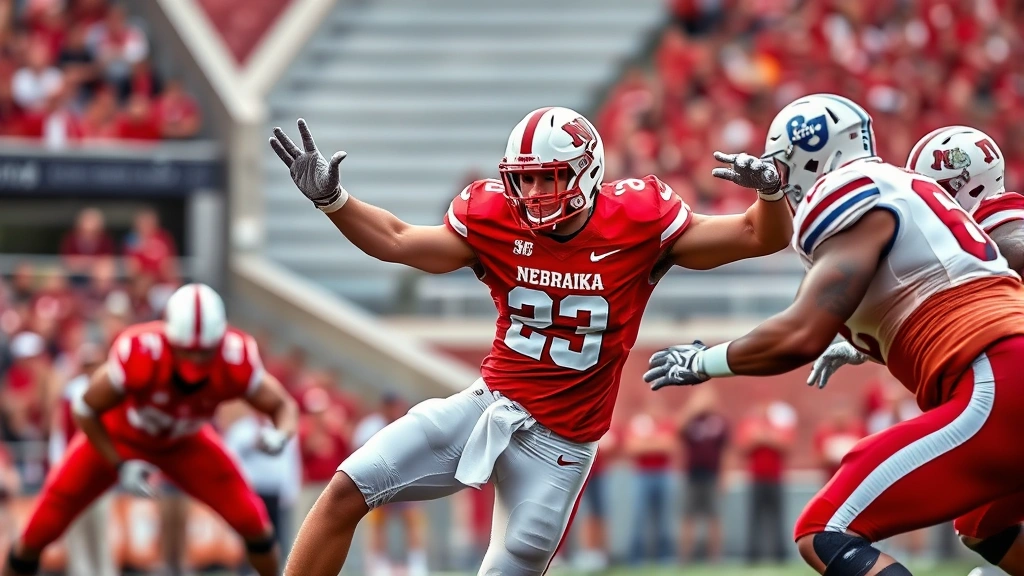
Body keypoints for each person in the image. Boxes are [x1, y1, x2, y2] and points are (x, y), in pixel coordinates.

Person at [269, 106, 793, 576]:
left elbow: (758, 235)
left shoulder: (638, 220)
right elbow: (399, 241)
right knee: (346, 489)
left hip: (562, 446)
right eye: (525, 181)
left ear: (587, 173)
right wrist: (334, 201)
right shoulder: (493, 216)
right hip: (489, 405)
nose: (535, 194)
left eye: (549, 178)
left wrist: (771, 194)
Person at [645, 94, 1024, 576]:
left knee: (825, 528)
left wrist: (704, 361)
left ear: (811, 154)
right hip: (1003, 373)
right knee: (983, 524)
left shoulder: (853, 188)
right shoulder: (906, 196)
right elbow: (941, 298)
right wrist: (866, 348)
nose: (783, 185)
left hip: (1001, 383)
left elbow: (801, 334)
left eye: (783, 170)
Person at [2, 283, 299, 576]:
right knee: (37, 533)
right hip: (120, 438)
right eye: (187, 352)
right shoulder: (141, 351)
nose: (195, 363)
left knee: (255, 524)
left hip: (186, 443)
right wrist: (119, 463)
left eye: (204, 353)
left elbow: (283, 406)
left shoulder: (236, 357)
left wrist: (280, 435)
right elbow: (86, 409)